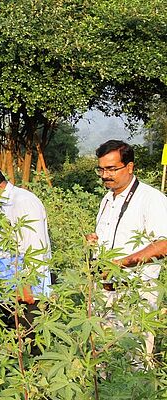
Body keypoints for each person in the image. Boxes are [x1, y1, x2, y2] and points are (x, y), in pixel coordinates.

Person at [86, 140, 167, 359]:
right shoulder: (107, 199)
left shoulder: (151, 199)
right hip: (104, 292)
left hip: (134, 295)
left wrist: (121, 263)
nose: (105, 175)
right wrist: (94, 242)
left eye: (112, 169)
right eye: (101, 169)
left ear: (129, 167)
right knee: (102, 360)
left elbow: (164, 244)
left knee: (134, 363)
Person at [0, 164, 51, 345]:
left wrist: (28, 286)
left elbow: (36, 246)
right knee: (12, 348)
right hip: (8, 293)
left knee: (31, 349)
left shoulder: (22, 201)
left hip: (28, 295)